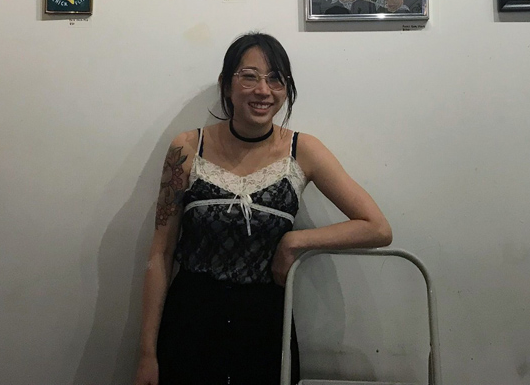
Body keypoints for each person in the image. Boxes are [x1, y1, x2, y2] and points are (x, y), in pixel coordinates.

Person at [134, 32, 392, 385]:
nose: (263, 90)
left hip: (266, 327)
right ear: (227, 85)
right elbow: (160, 252)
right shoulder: (188, 148)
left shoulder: (303, 150)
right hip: (190, 323)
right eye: (249, 76)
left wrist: (296, 241)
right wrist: (146, 353)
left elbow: (377, 227)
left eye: (275, 79)